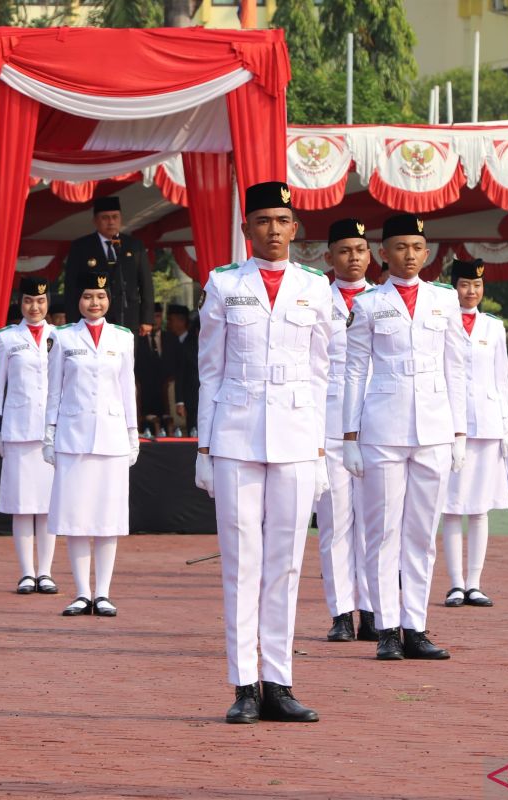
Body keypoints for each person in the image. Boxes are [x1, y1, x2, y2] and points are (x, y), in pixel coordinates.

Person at [194, 181, 332, 724]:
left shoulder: (315, 287)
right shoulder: (225, 284)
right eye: (263, 221)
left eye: (283, 220)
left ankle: (279, 681)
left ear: (295, 228)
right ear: (247, 229)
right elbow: (209, 370)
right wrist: (204, 447)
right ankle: (243, 683)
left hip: (297, 437)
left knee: (287, 565)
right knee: (241, 562)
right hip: (235, 433)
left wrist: (322, 450)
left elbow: (324, 373)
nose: (273, 230)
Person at [342, 213, 467, 662]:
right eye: (400, 247)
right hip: (383, 427)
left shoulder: (445, 300)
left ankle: (415, 625)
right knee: (382, 531)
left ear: (427, 252)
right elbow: (355, 369)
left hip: (433, 427)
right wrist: (349, 435)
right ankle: (386, 628)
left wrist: (459, 431)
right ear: (383, 253)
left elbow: (456, 368)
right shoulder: (371, 303)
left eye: (416, 247)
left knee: (420, 531)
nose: (409, 255)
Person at [43, 271, 137, 618]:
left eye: (100, 297)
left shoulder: (123, 338)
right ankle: (82, 592)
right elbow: (54, 389)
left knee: (108, 518)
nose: (94, 303)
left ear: (109, 300)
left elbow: (128, 389)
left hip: (112, 436)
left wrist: (132, 433)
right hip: (74, 435)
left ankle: (104, 592)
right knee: (77, 517)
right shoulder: (63, 337)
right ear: (76, 301)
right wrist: (49, 433)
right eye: (87, 297)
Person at [440, 259, 508, 610]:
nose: (471, 292)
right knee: (452, 507)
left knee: (480, 508)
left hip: (486, 425)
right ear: (453, 286)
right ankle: (455, 584)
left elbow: (501, 380)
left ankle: (475, 582)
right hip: (452, 426)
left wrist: (507, 427)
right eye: (465, 285)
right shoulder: (441, 323)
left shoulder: (493, 327)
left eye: (478, 286)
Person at [316, 218, 377, 644]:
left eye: (360, 249)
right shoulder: (316, 300)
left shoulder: (386, 299)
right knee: (336, 522)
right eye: (344, 251)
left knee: (377, 522)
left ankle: (375, 610)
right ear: (329, 257)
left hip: (379, 421)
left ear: (370, 255)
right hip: (330, 422)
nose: (353, 258)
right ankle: (341, 611)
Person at [0, 276, 58, 595]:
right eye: (29, 301)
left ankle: (45, 571)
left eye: (41, 301)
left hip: (50, 432)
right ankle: (26, 572)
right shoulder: (6, 338)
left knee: (47, 506)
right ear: (20, 303)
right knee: (21, 505)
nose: (35, 307)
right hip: (17, 428)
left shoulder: (61, 337)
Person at [62, 196, 154, 333]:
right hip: (91, 318)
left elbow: (146, 283)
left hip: (128, 317)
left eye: (115, 217)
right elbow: (71, 287)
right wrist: (73, 321)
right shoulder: (81, 246)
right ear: (95, 220)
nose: (111, 222)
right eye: (105, 217)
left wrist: (146, 318)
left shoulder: (134, 245)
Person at [161, 304, 198, 435]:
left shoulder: (194, 342)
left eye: (171, 320)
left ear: (181, 321)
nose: (168, 324)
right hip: (187, 400)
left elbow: (184, 373)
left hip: (196, 397)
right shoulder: (171, 341)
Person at [135, 303, 168, 422]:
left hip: (166, 395)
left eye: (158, 316)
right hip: (144, 393)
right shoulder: (136, 340)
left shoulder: (172, 339)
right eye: (151, 316)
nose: (154, 320)